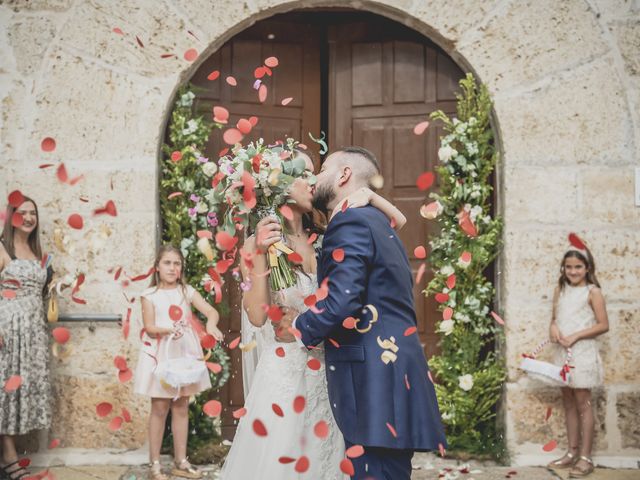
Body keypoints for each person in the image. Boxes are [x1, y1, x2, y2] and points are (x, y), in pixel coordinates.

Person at [221, 149, 406, 479]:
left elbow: (395, 225)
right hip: (286, 373)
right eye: (302, 173)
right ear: (274, 184)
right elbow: (258, 317)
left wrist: (369, 196)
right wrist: (261, 254)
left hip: (332, 372)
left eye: (314, 172)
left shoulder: (329, 233)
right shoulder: (256, 243)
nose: (312, 180)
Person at [277, 146, 447, 480]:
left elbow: (341, 301)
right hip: (390, 373)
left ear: (343, 175)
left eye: (322, 169)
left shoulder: (351, 220)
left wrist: (298, 326)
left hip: (375, 378)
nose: (313, 179)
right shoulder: (373, 218)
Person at [133, 244, 224, 480]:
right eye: (167, 263)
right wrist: (168, 329)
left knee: (181, 406)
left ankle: (180, 461)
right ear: (157, 267)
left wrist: (211, 325)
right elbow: (150, 327)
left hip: (184, 353)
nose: (173, 268)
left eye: (177, 263)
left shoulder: (186, 291)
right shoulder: (149, 295)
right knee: (160, 407)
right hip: (162, 354)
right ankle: (154, 463)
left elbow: (211, 311)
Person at [0, 195, 52, 480]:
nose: (30, 217)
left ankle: (11, 453)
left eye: (33, 212)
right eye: (23, 213)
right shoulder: (2, 247)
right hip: (8, 327)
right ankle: (8, 456)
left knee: (21, 392)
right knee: (5, 391)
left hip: (33, 330)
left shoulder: (37, 251)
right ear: (12, 217)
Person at [546, 241, 608, 478]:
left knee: (584, 403)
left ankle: (585, 456)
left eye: (578, 267)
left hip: (582, 352)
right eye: (568, 267)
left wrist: (576, 336)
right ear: (563, 268)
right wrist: (553, 327)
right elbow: (554, 317)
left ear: (587, 268)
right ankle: (571, 452)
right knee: (568, 401)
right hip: (563, 351)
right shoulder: (559, 290)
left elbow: (604, 325)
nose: (573, 271)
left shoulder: (593, 292)